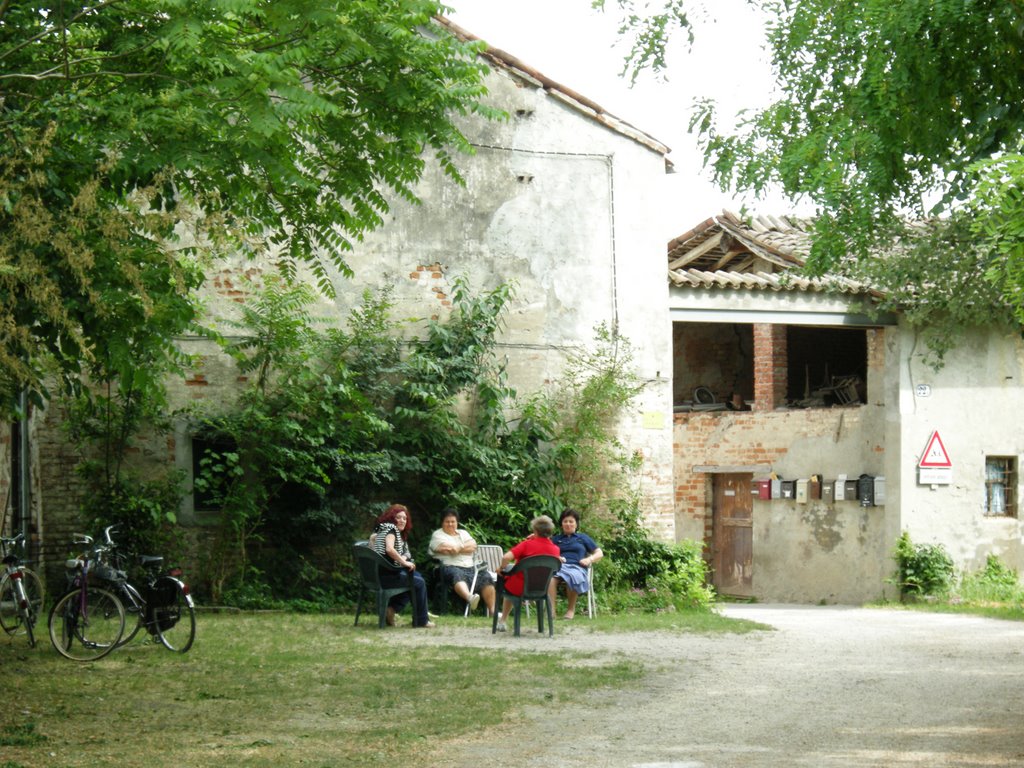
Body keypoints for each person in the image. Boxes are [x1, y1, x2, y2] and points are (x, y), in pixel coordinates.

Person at [371, 504, 434, 628]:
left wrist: (403, 559)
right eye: (398, 517)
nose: (402, 520)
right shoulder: (391, 529)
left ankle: (391, 609)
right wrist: (404, 562)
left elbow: (405, 553)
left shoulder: (389, 531)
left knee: (416, 577)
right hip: (387, 576)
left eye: (404, 518)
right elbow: (389, 549)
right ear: (391, 518)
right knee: (419, 582)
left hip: (382, 575)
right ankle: (421, 620)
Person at [494, 515, 560, 632]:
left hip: (519, 588)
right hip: (541, 589)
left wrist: (501, 568)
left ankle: (503, 620)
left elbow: (506, 557)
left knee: (506, 579)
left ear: (535, 531)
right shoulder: (555, 549)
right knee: (511, 579)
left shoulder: (527, 544)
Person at [428, 508, 496, 616]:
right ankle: (470, 598)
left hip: (470, 566)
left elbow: (473, 546)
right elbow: (444, 548)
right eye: (447, 521)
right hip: (448, 566)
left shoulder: (463, 533)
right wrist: (463, 547)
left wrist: (458, 547)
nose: (450, 524)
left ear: (457, 522)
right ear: (442, 522)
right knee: (457, 574)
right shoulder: (438, 535)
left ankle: (493, 611)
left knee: (486, 576)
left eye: (453, 521)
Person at [550, 509, 603, 620]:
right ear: (561, 524)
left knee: (572, 576)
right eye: (565, 521)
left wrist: (589, 559)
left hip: (577, 567)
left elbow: (599, 553)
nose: (568, 524)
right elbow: (545, 550)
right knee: (550, 579)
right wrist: (556, 557)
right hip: (559, 566)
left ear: (576, 524)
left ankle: (570, 610)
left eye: (571, 521)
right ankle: (551, 611)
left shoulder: (582, 537)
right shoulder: (555, 539)